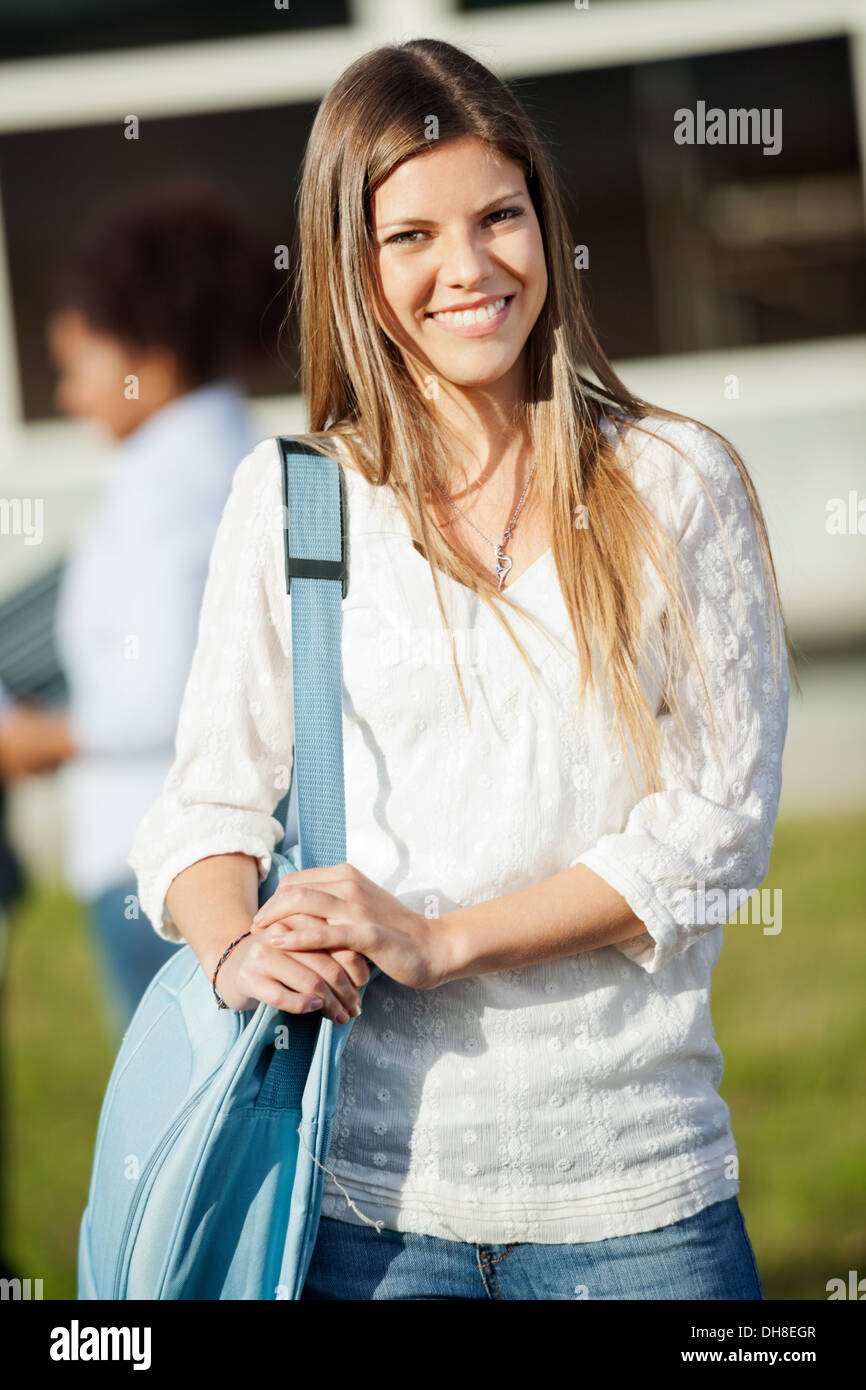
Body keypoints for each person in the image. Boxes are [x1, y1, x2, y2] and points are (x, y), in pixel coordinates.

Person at [128, 40, 791, 1300]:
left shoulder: (671, 480)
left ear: (545, 222)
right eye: (411, 237)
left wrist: (438, 941)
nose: (468, 268)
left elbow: (713, 830)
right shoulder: (293, 498)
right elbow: (204, 810)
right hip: (360, 1215)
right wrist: (232, 954)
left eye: (498, 216)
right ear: (353, 265)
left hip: (635, 1202)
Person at [0, 181, 274, 1038]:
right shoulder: (224, 457)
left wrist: (39, 739)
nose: (73, 398)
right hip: (197, 853)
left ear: (147, 360)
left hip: (158, 864)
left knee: (189, 1139)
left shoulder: (170, 492)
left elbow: (159, 696)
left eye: (79, 368)